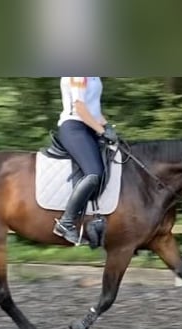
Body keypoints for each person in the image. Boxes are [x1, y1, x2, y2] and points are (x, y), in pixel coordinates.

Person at [53, 76, 119, 245]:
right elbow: (80, 107)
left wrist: (107, 126)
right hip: (74, 127)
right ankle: (66, 223)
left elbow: (94, 110)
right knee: (94, 173)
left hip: (89, 128)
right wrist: (101, 131)